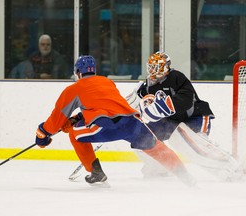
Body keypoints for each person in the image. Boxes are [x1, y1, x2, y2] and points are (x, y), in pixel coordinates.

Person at [34, 55, 195, 186]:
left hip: (105, 126)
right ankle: (186, 177)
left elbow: (57, 119)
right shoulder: (106, 82)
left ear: (78, 73)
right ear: (94, 71)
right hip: (132, 122)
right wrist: (79, 117)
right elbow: (107, 103)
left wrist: (43, 133)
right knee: (155, 147)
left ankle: (96, 172)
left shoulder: (73, 89)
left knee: (74, 134)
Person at [126, 51, 243, 181]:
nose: (153, 70)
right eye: (151, 67)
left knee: (188, 143)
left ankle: (231, 168)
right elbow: (134, 101)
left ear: (166, 66)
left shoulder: (176, 77)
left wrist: (163, 107)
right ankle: (159, 169)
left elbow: (186, 100)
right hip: (170, 122)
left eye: (156, 66)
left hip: (194, 117)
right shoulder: (147, 85)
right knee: (142, 137)